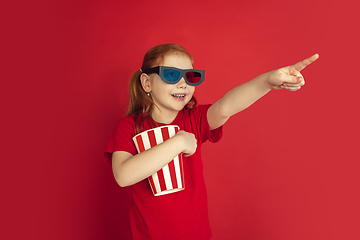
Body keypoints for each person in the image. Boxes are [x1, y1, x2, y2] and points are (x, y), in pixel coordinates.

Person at [104, 43, 319, 240]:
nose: (182, 84)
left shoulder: (195, 119)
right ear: (147, 82)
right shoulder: (130, 127)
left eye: (191, 76)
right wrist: (178, 143)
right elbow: (124, 175)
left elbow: (227, 106)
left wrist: (267, 82)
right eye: (171, 75)